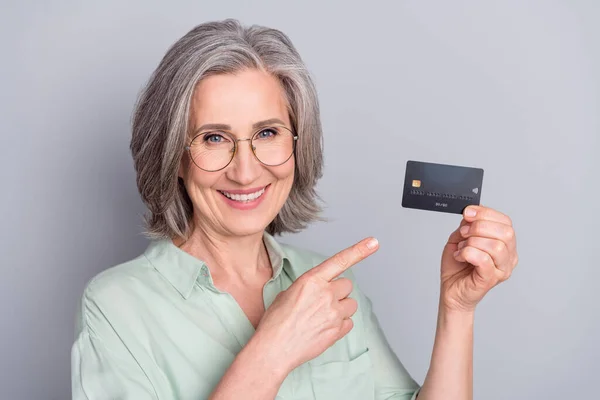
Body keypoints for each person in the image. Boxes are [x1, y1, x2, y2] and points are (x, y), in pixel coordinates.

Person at [71, 19, 519, 400]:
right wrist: (273, 350)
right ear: (173, 158)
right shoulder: (116, 307)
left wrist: (457, 308)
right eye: (213, 138)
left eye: (267, 133)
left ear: (298, 145)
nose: (246, 173)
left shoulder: (331, 285)